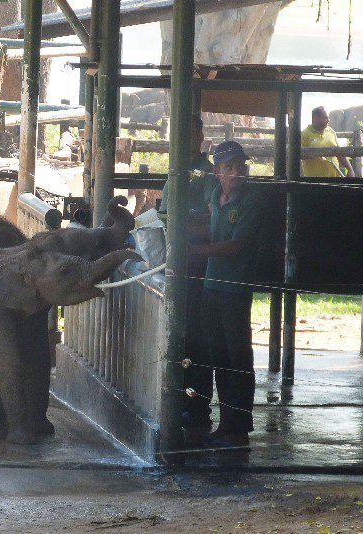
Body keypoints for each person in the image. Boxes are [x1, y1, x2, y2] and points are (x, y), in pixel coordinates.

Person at [189, 141, 263, 449]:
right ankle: (226, 423)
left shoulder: (250, 203)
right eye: (229, 168)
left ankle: (239, 427)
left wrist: (194, 251)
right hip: (211, 287)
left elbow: (235, 245)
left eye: (241, 167)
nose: (237, 173)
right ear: (218, 172)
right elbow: (211, 221)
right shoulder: (214, 197)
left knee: (238, 358)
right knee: (217, 355)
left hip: (235, 289)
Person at [159, 115, 219, 445]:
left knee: (196, 337)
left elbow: (214, 218)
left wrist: (185, 232)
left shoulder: (205, 173)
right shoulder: (179, 169)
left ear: (199, 136)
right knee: (180, 337)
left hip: (196, 265)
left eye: (190, 134)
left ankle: (197, 407)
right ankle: (180, 400)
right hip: (178, 261)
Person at [301, 106, 355, 178]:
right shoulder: (305, 134)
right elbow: (300, 155)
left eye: (328, 117)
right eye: (325, 118)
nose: (328, 120)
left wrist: (350, 170)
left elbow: (339, 152)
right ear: (315, 118)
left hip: (335, 178)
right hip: (314, 180)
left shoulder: (331, 131)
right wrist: (317, 154)